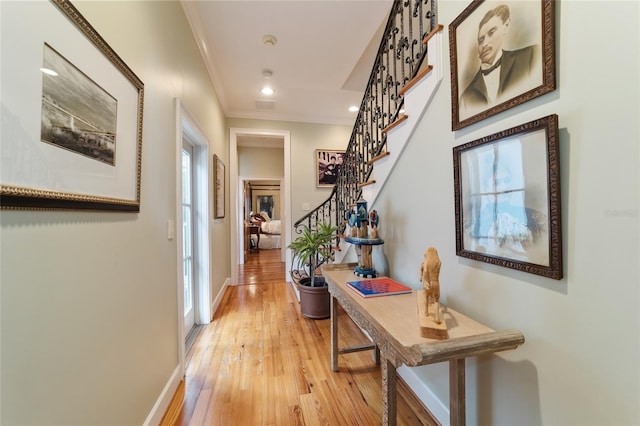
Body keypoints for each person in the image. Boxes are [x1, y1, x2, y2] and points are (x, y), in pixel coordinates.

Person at [460, 4, 539, 114]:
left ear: (505, 26)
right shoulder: (466, 97)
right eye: (481, 40)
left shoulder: (530, 56)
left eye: (491, 33)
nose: (484, 44)